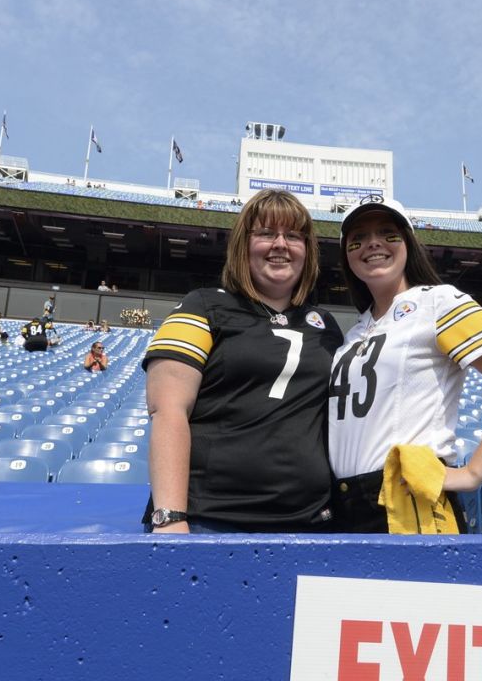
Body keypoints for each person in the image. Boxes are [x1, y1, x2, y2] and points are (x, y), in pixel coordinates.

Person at [327, 197, 482, 533]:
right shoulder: (355, 331)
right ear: (347, 254)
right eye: (358, 237)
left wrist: (473, 474)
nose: (372, 242)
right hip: (343, 503)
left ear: (409, 244)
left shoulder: (439, 301)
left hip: (408, 500)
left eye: (388, 233)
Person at [143, 189, 343, 534]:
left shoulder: (325, 325)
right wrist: (171, 518)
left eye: (293, 236)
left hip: (310, 525)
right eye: (266, 233)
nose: (280, 244)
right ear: (242, 245)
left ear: (307, 251)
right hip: (212, 522)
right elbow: (168, 410)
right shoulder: (201, 306)